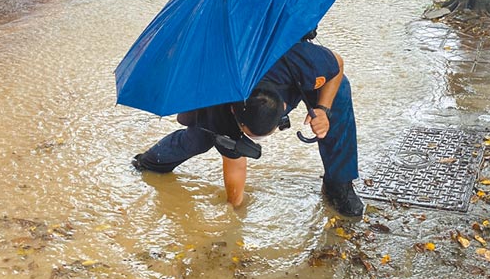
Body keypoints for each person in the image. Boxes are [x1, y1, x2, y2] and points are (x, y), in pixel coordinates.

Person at [132, 39, 364, 218]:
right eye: (248, 133)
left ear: (283, 107)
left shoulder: (299, 60)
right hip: (227, 74)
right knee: (200, 137)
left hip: (274, 52)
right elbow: (235, 165)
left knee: (339, 91)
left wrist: (322, 109)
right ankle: (151, 162)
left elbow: (337, 64)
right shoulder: (222, 106)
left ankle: (339, 183)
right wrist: (234, 209)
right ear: (235, 112)